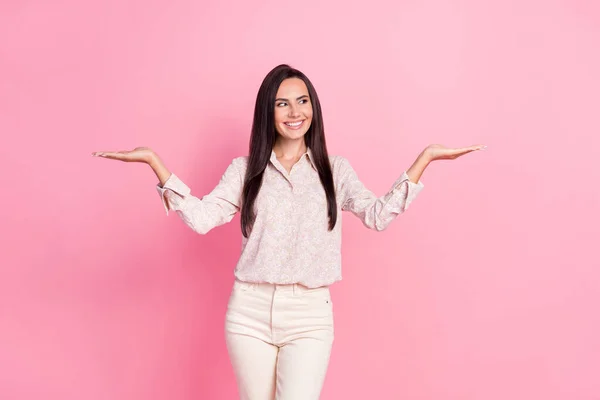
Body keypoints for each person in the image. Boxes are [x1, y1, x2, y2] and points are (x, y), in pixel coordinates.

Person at [92, 64, 485, 400]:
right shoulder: (245, 170)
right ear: (269, 112)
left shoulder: (336, 170)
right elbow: (201, 219)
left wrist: (425, 159)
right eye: (282, 103)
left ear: (313, 107)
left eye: (302, 101)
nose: (294, 112)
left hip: (310, 314)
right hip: (249, 311)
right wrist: (156, 164)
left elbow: (377, 215)